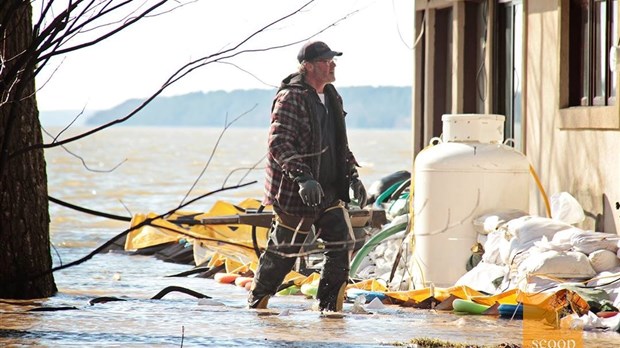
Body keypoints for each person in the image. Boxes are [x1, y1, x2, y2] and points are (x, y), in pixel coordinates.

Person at [248, 41, 367, 313]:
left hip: (329, 190)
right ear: (309, 66)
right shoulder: (291, 97)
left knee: (341, 245)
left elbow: (339, 144)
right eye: (327, 60)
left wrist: (352, 176)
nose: (333, 64)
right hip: (295, 191)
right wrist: (302, 178)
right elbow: (279, 143)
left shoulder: (333, 96)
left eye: (333, 59)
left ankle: (329, 311)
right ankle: (257, 304)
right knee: (283, 254)